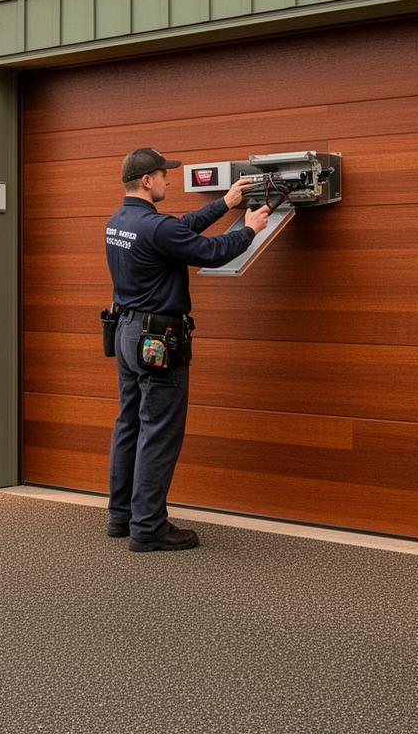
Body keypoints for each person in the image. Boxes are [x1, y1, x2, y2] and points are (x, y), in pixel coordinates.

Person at [103, 147, 270, 552]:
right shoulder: (155, 228)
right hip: (157, 341)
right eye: (164, 175)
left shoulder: (119, 222)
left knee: (131, 424)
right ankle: (148, 528)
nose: (167, 180)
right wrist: (249, 228)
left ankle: (121, 517)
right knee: (159, 431)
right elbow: (210, 251)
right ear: (147, 181)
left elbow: (177, 229)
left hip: (126, 333)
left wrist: (224, 203)